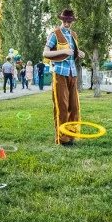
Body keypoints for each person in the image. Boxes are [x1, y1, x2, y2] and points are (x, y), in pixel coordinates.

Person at [43, 9, 84, 145]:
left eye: (69, 21)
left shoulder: (74, 35)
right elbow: (46, 53)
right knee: (62, 106)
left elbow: (73, 54)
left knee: (74, 106)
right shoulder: (54, 34)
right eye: (65, 21)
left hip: (73, 74)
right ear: (61, 20)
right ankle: (63, 138)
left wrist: (80, 53)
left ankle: (71, 136)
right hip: (60, 73)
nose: (67, 24)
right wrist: (64, 51)